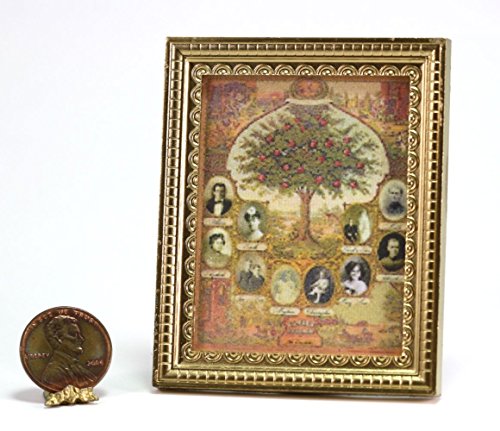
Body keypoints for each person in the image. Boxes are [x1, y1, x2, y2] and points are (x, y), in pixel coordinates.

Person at [41, 315, 97, 390]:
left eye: (79, 334)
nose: (81, 339)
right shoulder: (54, 372)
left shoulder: (76, 366)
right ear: (58, 338)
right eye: (73, 334)